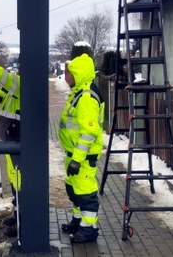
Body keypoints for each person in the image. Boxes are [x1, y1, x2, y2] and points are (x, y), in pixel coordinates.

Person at [58, 52, 105, 243]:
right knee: (74, 191)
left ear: (79, 74)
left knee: (86, 194)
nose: (66, 76)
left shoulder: (86, 97)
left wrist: (77, 159)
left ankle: (88, 230)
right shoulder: (78, 93)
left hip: (82, 158)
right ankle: (78, 222)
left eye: (68, 73)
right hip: (75, 155)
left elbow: (88, 132)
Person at [0, 60, 21, 237]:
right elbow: (7, 95)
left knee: (21, 183)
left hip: (18, 140)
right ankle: (17, 216)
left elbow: (4, 78)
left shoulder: (23, 83)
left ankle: (22, 223)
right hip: (12, 140)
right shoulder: (18, 87)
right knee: (16, 181)